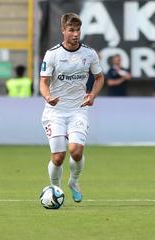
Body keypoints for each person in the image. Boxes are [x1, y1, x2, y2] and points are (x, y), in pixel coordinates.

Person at [39, 13, 104, 203]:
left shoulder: (89, 53)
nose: (76, 34)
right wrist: (48, 96)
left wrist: (92, 95)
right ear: (63, 30)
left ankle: (74, 182)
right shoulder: (53, 54)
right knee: (58, 157)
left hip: (78, 109)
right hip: (55, 111)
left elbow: (99, 77)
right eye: (71, 30)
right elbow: (43, 81)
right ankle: (55, 188)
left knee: (76, 151)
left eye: (78, 30)